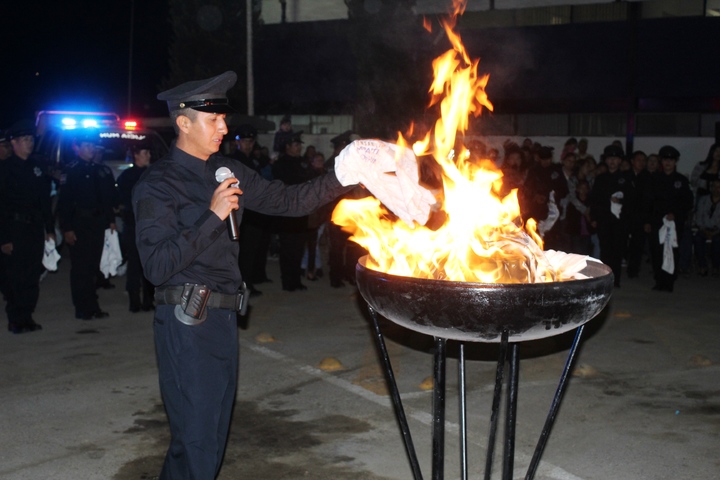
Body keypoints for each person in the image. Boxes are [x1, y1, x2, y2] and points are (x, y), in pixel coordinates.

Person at [133, 71, 433, 480]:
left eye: (224, 118)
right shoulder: (157, 184)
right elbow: (156, 265)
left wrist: (343, 175)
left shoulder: (227, 170)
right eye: (213, 119)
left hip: (222, 318)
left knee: (211, 438)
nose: (224, 127)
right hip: (186, 323)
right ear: (184, 122)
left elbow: (290, 201)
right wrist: (213, 216)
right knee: (196, 442)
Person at [0, 120, 54, 333]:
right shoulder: (4, 169)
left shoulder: (37, 167)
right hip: (14, 228)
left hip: (34, 228)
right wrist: (4, 238)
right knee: (15, 276)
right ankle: (16, 318)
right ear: (13, 143)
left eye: (31, 139)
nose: (29, 143)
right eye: (24, 139)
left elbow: (44, 202)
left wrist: (50, 229)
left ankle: (27, 315)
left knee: (32, 275)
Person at [56, 132, 117, 319]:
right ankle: (82, 307)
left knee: (93, 267)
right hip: (79, 224)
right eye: (87, 146)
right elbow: (64, 203)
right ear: (77, 148)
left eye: (93, 146)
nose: (92, 149)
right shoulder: (71, 170)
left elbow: (106, 199)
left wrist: (110, 220)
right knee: (80, 268)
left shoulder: (100, 170)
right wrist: (67, 228)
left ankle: (93, 305)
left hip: (97, 223)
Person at [642, 145, 694, 292]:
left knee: (673, 252)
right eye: (665, 159)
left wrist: (675, 214)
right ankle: (659, 280)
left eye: (671, 160)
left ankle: (669, 281)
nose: (668, 163)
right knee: (657, 252)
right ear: (661, 161)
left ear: (675, 162)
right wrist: (647, 221)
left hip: (674, 223)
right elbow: (648, 202)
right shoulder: (654, 179)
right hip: (657, 222)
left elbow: (688, 202)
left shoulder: (681, 180)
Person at [272, 130, 317, 291]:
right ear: (288, 147)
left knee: (298, 248)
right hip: (287, 212)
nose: (299, 148)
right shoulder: (280, 164)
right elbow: (283, 185)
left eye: (299, 145)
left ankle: (296, 280)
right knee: (287, 248)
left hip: (302, 211)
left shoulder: (303, 162)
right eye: (296, 145)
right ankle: (287, 281)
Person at [116, 142, 155, 312]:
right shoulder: (127, 176)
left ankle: (148, 300)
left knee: (148, 264)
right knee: (134, 263)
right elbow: (125, 201)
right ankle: (134, 301)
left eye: (148, 153)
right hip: (133, 224)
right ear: (136, 155)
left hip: (150, 225)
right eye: (145, 153)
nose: (148, 156)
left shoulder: (151, 174)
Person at [231, 124, 269, 296]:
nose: (247, 145)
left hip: (254, 213)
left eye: (250, 141)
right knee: (242, 253)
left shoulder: (254, 161)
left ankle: (249, 282)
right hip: (239, 213)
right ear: (237, 142)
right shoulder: (232, 161)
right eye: (244, 141)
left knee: (251, 251)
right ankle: (242, 287)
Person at [589, 145, 634, 287]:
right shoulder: (601, 178)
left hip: (620, 222)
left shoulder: (626, 178)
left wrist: (620, 201)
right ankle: (605, 280)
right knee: (605, 251)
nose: (612, 161)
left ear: (620, 160)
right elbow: (594, 200)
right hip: (604, 220)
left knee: (617, 251)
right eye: (610, 158)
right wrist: (594, 218)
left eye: (615, 158)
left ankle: (616, 280)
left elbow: (633, 200)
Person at [626, 150, 651, 278]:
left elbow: (649, 201)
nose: (641, 163)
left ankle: (633, 270)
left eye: (643, 160)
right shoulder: (626, 176)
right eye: (638, 160)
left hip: (640, 217)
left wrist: (647, 220)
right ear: (632, 161)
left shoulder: (648, 177)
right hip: (625, 216)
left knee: (637, 245)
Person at [692, 178, 720, 276]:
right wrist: (704, 229)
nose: (716, 189)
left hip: (717, 230)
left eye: (719, 187)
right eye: (714, 186)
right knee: (697, 239)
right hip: (704, 228)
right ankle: (702, 266)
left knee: (717, 241)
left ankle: (716, 267)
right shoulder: (703, 200)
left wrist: (714, 232)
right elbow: (698, 217)